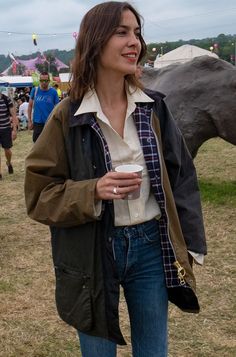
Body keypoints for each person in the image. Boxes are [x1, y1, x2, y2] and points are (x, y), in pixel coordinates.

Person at [24, 2, 206, 356]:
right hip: (91, 250)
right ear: (95, 41)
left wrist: (192, 241)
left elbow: (182, 176)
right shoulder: (67, 115)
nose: (134, 41)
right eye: (121, 32)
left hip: (151, 246)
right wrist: (93, 190)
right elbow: (38, 194)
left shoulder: (154, 106)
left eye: (136, 33)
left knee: (154, 351)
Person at [28, 72, 59, 142]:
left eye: (46, 80)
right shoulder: (35, 90)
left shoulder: (53, 92)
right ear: (39, 81)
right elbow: (30, 106)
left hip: (50, 122)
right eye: (42, 80)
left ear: (49, 81)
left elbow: (57, 107)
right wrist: (29, 121)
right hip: (37, 123)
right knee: (36, 144)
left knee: (49, 143)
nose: (44, 82)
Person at [0, 86, 18, 180]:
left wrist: (14, 130)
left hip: (6, 129)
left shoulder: (6, 99)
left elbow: (14, 115)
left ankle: (9, 162)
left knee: (7, 150)